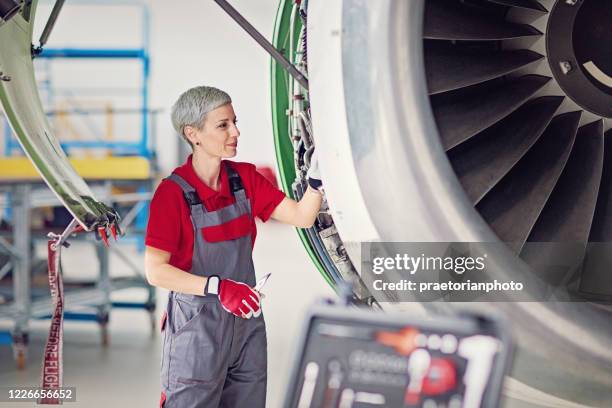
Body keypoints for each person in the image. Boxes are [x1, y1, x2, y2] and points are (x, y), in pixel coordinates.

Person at [144, 85, 323, 408]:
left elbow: (302, 216)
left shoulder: (245, 179)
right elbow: (156, 272)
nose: (236, 132)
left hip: (246, 323)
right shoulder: (171, 195)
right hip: (197, 329)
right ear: (193, 134)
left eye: (235, 122)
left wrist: (318, 180)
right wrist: (218, 287)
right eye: (223, 125)